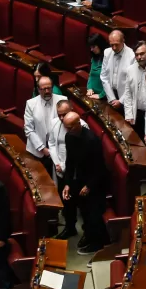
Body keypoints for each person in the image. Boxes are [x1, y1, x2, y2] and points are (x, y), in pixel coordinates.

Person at [61, 112, 109, 255]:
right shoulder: (69, 137)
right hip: (81, 178)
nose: (67, 130)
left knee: (93, 212)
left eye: (70, 127)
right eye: (66, 127)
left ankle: (98, 243)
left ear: (78, 124)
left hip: (96, 181)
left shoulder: (92, 140)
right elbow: (70, 163)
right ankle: (89, 234)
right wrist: (67, 183)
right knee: (82, 209)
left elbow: (100, 168)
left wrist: (89, 186)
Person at [49, 99, 88, 240]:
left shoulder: (81, 126)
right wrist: (57, 163)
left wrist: (64, 166)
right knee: (66, 201)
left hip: (76, 171)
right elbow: (52, 144)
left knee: (81, 203)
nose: (61, 118)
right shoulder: (54, 123)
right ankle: (70, 227)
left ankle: (86, 231)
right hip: (60, 168)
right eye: (59, 114)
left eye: (64, 114)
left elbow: (81, 154)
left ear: (72, 110)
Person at [24, 76, 67, 176]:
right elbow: (29, 129)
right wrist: (42, 148)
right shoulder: (31, 104)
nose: (47, 91)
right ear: (38, 89)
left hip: (58, 147)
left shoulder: (63, 100)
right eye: (44, 89)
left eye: (49, 88)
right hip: (38, 149)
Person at [100, 30, 136, 108]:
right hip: (110, 93)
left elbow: (133, 82)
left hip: (126, 97)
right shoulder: (107, 52)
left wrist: (121, 101)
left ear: (123, 41)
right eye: (111, 45)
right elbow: (104, 76)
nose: (114, 48)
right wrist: (111, 98)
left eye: (116, 44)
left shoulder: (132, 56)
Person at [85, 33, 108, 100]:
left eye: (93, 46)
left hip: (105, 97)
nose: (91, 49)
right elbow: (91, 75)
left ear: (100, 44)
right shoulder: (94, 58)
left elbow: (110, 82)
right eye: (90, 47)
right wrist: (89, 88)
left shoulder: (109, 59)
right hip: (93, 94)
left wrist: (100, 95)